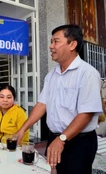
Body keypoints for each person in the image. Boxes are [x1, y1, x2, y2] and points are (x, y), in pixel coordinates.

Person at [15, 24, 102, 174]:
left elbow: (86, 113)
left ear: (72, 44)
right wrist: (23, 129)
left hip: (79, 142)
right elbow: (42, 104)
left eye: (56, 41)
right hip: (55, 139)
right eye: (51, 41)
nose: (51, 46)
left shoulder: (87, 73)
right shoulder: (52, 74)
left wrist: (62, 139)